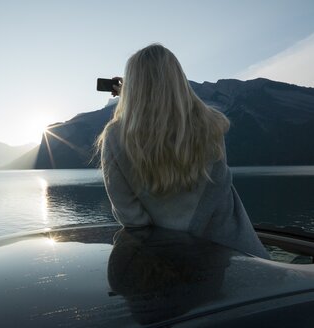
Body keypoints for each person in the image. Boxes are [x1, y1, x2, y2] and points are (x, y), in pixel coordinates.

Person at [97, 44, 269, 259]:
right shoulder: (211, 124)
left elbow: (131, 217)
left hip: (170, 263)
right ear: (178, 78)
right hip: (234, 254)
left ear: (133, 86)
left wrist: (128, 97)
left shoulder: (115, 136)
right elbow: (215, 188)